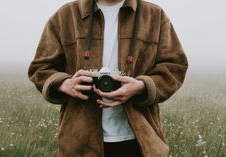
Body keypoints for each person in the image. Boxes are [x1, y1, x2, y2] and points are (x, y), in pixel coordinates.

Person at [28, 0, 188, 156]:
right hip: (80, 142)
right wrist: (65, 83)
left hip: (140, 141)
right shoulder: (65, 16)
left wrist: (141, 86)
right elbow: (40, 68)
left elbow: (175, 66)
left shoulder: (154, 15)